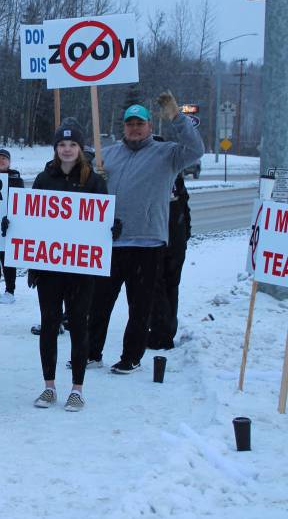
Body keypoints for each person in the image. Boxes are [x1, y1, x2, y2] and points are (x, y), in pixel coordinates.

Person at [87, 93, 204, 374]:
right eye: (130, 124)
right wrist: (95, 179)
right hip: (112, 241)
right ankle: (91, 352)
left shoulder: (168, 154)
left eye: (140, 123)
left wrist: (177, 119)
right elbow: (86, 191)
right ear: (123, 127)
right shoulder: (109, 155)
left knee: (139, 307)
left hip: (148, 242)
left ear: (150, 126)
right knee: (99, 303)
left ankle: (131, 357)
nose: (135, 128)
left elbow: (196, 149)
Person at [27, 124, 107, 412]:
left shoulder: (93, 181)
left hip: (81, 268)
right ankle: (49, 387)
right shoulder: (43, 179)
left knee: (78, 325)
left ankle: (77, 389)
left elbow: (102, 222)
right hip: (49, 268)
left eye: (72, 145)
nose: (67, 149)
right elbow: (31, 221)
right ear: (56, 148)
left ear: (80, 148)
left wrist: (112, 228)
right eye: (62, 144)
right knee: (49, 324)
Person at [148, 149, 192, 351]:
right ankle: (166, 329)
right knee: (169, 287)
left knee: (157, 287)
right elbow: (186, 209)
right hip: (176, 239)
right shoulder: (175, 178)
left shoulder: (158, 180)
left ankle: (160, 335)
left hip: (163, 240)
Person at [0, 148, 24, 305]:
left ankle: (10, 291)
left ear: (9, 161)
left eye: (4, 158)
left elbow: (21, 202)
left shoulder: (16, 178)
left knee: (8, 261)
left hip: (10, 226)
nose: (1, 161)